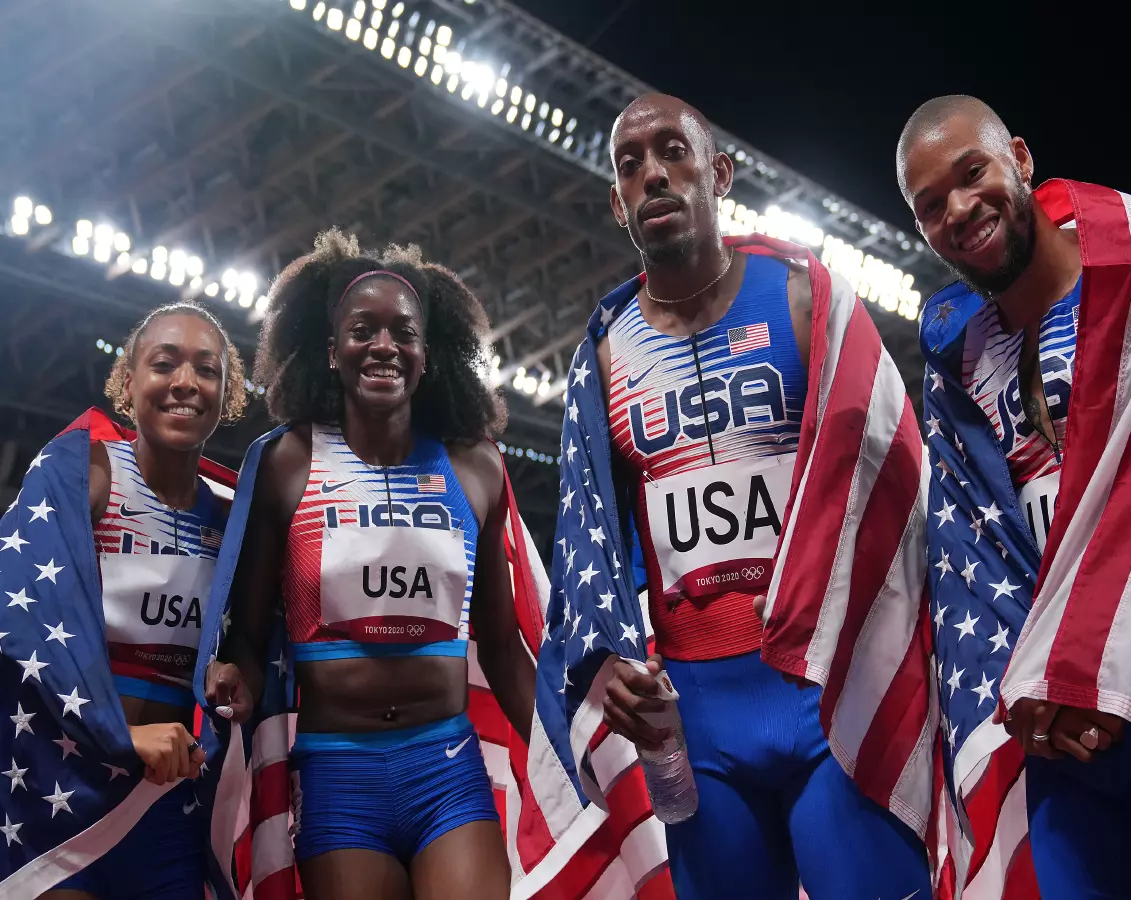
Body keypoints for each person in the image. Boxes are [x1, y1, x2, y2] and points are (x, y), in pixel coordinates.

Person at [555, 92, 933, 900]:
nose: (653, 173)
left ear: (718, 174)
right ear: (617, 204)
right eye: (631, 166)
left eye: (673, 153)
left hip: (827, 687)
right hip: (699, 714)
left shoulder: (807, 300)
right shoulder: (605, 355)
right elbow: (594, 537)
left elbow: (898, 482)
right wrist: (610, 650)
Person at [899, 95, 1131, 899]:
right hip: (1062, 739)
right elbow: (972, 557)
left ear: (1021, 159)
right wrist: (1033, 698)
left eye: (973, 175)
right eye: (932, 206)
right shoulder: (960, 370)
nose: (960, 211)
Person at [203, 230, 535, 900]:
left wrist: (573, 753)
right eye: (363, 330)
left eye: (403, 333)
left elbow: (501, 645)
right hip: (338, 774)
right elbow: (250, 624)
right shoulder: (287, 464)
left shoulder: (473, 468)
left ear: (426, 353)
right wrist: (232, 666)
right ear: (331, 351)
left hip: (445, 766)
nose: (384, 345)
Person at [18, 302, 245, 899]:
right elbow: (19, 620)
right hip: (66, 792)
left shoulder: (233, 520)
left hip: (167, 808)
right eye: (164, 363)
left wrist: (230, 672)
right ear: (127, 382)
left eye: (207, 369)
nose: (185, 383)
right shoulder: (86, 476)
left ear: (230, 393)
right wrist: (118, 735)